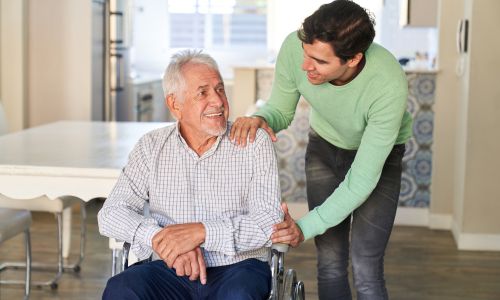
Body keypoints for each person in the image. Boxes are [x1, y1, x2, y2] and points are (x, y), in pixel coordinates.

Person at [230, 1, 412, 299]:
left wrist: (303, 227)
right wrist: (262, 119)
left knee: (365, 265)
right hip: (324, 148)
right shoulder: (295, 47)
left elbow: (362, 180)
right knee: (330, 262)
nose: (305, 66)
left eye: (319, 61)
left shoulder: (388, 84)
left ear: (353, 59)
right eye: (305, 54)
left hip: (381, 159)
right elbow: (280, 110)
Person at [98, 49, 283, 300]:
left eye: (220, 89)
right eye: (203, 93)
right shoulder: (151, 146)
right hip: (169, 266)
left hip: (238, 267)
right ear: (175, 104)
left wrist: (201, 232)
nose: (218, 101)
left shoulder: (253, 142)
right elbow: (110, 213)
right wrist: (164, 240)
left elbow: (269, 221)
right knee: (121, 290)